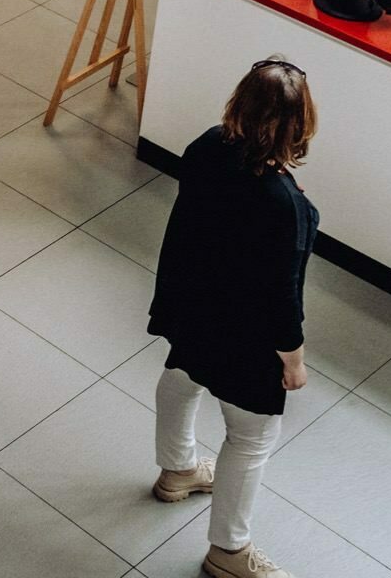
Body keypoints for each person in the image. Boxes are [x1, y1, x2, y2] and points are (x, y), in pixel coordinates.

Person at [146, 59, 321, 578]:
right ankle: (229, 551)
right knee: (251, 437)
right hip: (244, 334)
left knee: (180, 379)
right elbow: (282, 295)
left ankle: (176, 472)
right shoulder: (284, 203)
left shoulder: (205, 147)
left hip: (192, 303)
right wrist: (293, 359)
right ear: (299, 124)